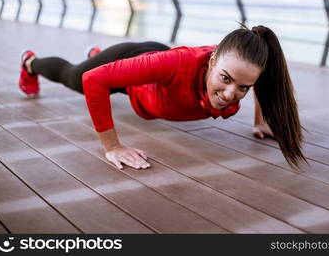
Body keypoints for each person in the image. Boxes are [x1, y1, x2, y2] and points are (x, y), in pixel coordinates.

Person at [18, 25, 306, 170]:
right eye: (226, 79)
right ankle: (30, 62)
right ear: (213, 60)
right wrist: (113, 146)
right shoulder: (175, 63)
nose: (231, 95)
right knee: (75, 77)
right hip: (138, 59)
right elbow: (93, 80)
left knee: (108, 74)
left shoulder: (244, 73)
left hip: (150, 86)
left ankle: (98, 57)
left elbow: (263, 84)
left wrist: (261, 121)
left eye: (243, 88)